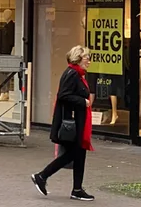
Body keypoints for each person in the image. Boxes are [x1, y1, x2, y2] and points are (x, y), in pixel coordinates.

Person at [31, 45, 95, 201]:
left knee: (79, 154)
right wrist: (83, 101)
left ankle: (77, 189)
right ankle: (42, 176)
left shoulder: (77, 74)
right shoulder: (72, 74)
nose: (89, 61)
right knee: (73, 153)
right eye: (86, 57)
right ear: (78, 58)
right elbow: (63, 95)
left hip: (78, 121)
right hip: (73, 122)